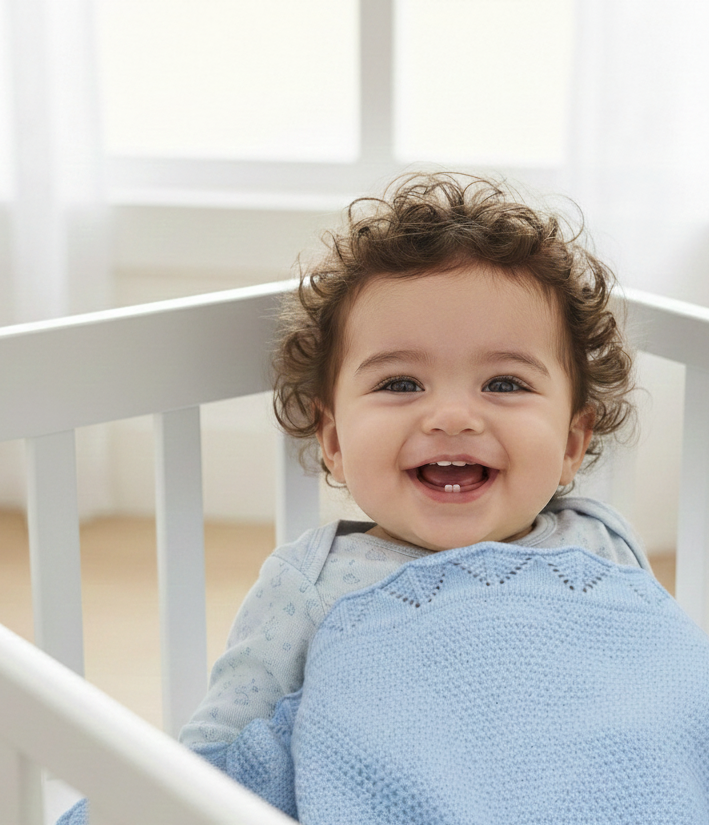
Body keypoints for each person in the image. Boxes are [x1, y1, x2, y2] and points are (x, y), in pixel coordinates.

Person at [179, 172, 650, 751]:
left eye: (504, 383)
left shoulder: (600, 547)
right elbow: (214, 761)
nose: (452, 417)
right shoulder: (314, 587)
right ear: (333, 441)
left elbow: (675, 689)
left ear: (572, 444)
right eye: (401, 382)